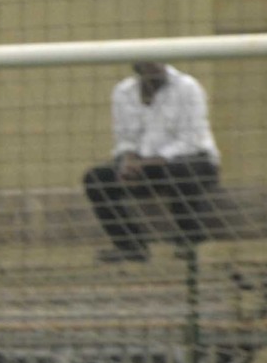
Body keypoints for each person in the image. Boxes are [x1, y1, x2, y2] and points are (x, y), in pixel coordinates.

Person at [83, 63, 221, 263]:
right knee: (96, 178)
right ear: (138, 67)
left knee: (181, 171)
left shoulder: (188, 87)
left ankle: (190, 241)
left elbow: (190, 141)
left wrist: (146, 163)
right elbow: (125, 139)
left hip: (194, 160)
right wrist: (128, 161)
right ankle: (130, 246)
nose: (155, 67)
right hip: (147, 164)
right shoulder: (123, 92)